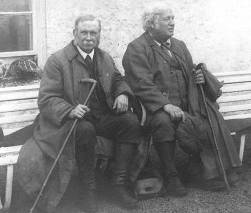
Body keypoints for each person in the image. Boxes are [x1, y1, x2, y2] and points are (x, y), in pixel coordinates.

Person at [16, 15, 142, 213]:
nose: (89, 37)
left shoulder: (104, 58)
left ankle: (118, 184)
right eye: (84, 32)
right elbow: (47, 98)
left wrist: (123, 93)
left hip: (101, 116)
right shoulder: (58, 61)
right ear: (75, 34)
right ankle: (87, 190)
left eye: (93, 33)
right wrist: (69, 110)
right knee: (85, 129)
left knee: (130, 122)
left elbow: (118, 79)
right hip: (69, 122)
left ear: (99, 35)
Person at [122, 4, 241, 196]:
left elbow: (190, 70)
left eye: (173, 19)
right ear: (151, 24)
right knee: (164, 121)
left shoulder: (179, 45)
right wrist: (165, 104)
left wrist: (199, 77)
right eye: (167, 19)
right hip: (154, 109)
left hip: (187, 104)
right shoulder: (137, 48)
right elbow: (141, 83)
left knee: (208, 117)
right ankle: (171, 176)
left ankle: (202, 171)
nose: (172, 23)